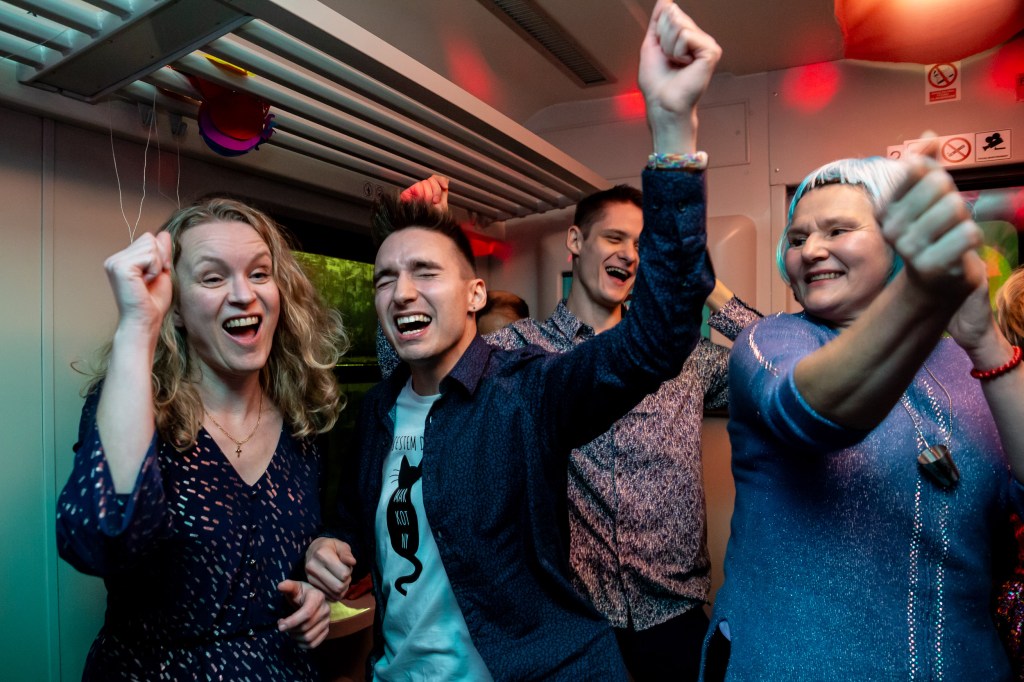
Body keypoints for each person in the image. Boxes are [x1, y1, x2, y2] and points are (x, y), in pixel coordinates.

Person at [304, 1, 720, 677]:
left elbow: (658, 337)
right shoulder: (379, 411)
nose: (401, 292)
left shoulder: (525, 390)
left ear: (475, 294)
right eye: (384, 279)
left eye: (425, 273)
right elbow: (354, 522)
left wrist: (672, 130)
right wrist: (330, 545)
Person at [391, 181, 758, 681]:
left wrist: (705, 285)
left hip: (675, 617)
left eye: (641, 245)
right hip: (573, 628)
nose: (629, 254)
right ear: (576, 241)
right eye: (614, 238)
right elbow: (410, 368)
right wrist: (425, 237)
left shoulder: (684, 358)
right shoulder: (516, 354)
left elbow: (780, 364)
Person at [707, 153, 1024, 679]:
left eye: (837, 230)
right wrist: (921, 289)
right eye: (797, 237)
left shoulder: (961, 361)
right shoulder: (772, 340)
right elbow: (807, 414)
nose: (811, 250)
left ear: (896, 242)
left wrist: (984, 342)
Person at [56, 198, 347, 680]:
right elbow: (102, 541)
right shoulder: (134, 409)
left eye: (259, 273)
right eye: (213, 278)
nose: (244, 294)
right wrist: (137, 326)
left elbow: (309, 540)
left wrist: (315, 585)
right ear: (175, 309)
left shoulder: (303, 419)